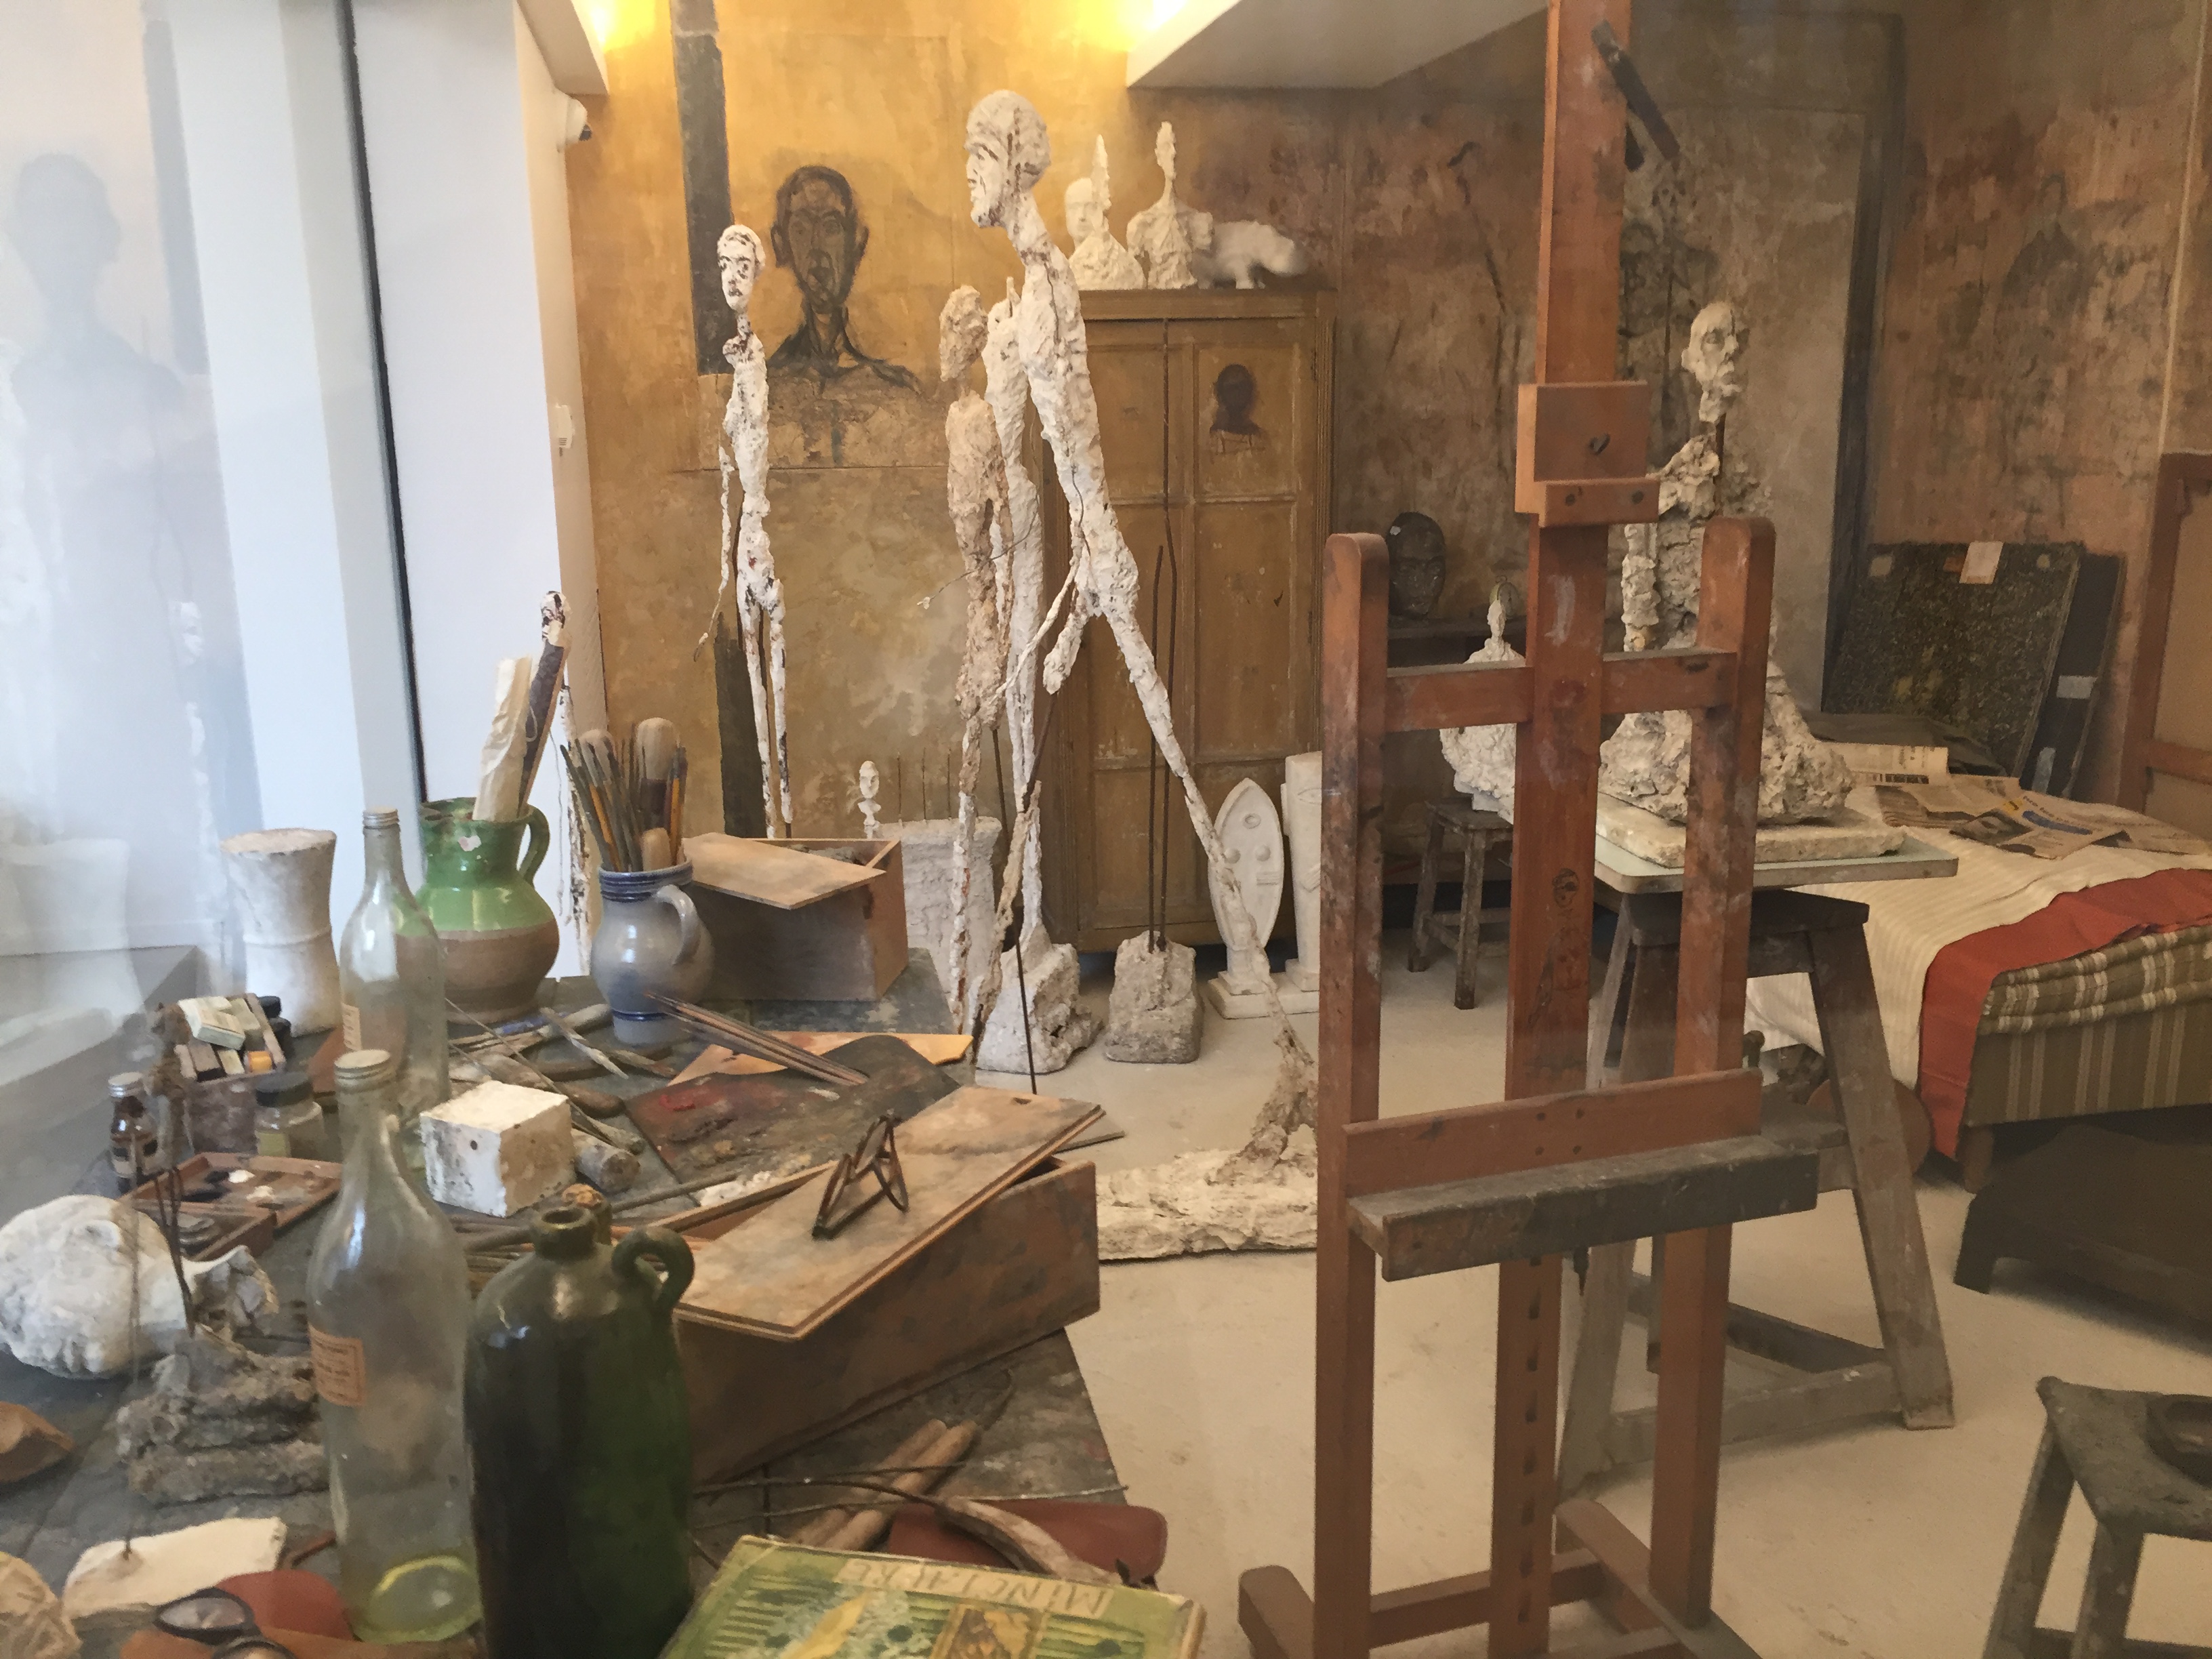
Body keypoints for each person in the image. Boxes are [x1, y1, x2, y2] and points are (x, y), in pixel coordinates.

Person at [766, 165, 916, 389]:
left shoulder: (891, 382)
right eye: (801, 230)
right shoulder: (774, 380)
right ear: (781, 245)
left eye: (831, 228)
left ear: (856, 243)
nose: (817, 247)